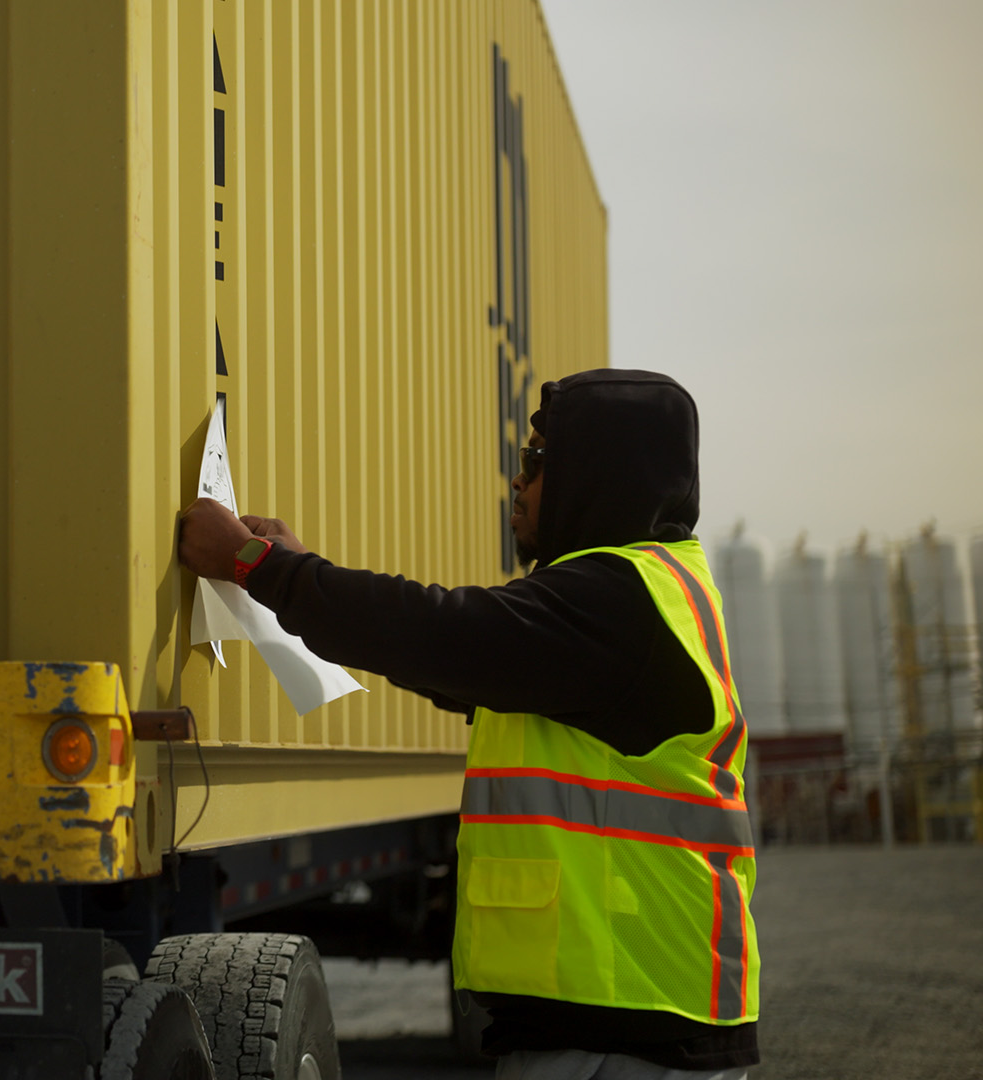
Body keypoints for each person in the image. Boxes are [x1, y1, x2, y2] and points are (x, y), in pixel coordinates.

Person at [178, 369, 758, 1080]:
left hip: (628, 1030)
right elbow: (457, 662)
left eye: (537, 462)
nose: (518, 483)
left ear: (599, 476)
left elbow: (439, 634)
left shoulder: (622, 604)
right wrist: (292, 573)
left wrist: (256, 564)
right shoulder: (643, 596)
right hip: (625, 1017)